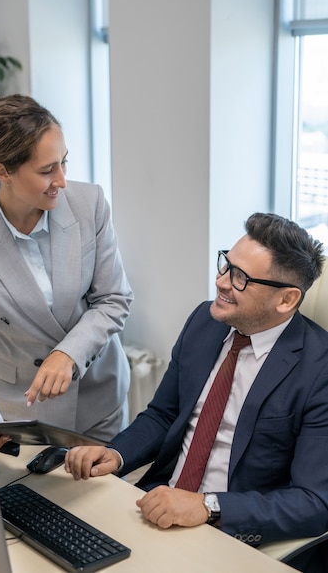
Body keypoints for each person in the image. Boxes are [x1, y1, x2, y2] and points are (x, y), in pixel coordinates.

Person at [64, 213, 328, 568]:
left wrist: (208, 506)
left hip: (234, 533)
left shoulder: (319, 369)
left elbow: (314, 502)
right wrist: (117, 454)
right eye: (225, 265)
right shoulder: (205, 321)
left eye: (240, 278)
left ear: (286, 300)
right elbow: (164, 414)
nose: (220, 282)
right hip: (157, 504)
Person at [0, 94, 133, 441]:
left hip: (98, 396)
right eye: (47, 170)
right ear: (2, 171)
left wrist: (68, 354)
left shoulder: (90, 204)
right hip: (19, 410)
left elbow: (114, 300)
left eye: (64, 162)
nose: (62, 180)